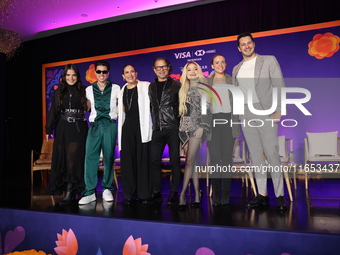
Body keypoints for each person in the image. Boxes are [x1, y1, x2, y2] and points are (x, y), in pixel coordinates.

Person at [232, 32, 287, 210]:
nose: (247, 46)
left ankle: (279, 195)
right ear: (239, 48)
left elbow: (279, 84)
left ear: (253, 44)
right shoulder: (236, 69)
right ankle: (262, 194)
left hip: (266, 111)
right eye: (243, 44)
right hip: (246, 113)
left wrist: (279, 109)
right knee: (256, 156)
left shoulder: (269, 60)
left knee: (271, 153)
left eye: (249, 43)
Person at [45, 64, 88, 206]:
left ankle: (72, 190)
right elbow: (53, 112)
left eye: (74, 75)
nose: (71, 78)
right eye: (68, 75)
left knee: (73, 159)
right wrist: (48, 129)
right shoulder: (59, 92)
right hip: (63, 127)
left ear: (77, 76)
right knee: (63, 159)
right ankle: (68, 190)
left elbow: (89, 109)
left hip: (78, 128)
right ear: (64, 77)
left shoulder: (84, 90)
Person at [78, 60, 120, 205]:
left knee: (108, 157)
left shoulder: (116, 88)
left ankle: (107, 188)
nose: (101, 74)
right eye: (99, 71)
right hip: (95, 125)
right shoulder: (88, 89)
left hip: (109, 124)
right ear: (94, 72)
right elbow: (87, 107)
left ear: (108, 72)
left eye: (104, 71)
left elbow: (122, 106)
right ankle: (90, 192)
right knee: (90, 157)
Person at [144, 57, 181, 205]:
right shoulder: (151, 87)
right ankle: (156, 192)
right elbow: (152, 107)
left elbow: (182, 107)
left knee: (175, 161)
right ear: (154, 70)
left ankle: (173, 193)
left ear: (168, 68)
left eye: (164, 66)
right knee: (153, 161)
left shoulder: (176, 85)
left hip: (172, 127)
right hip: (157, 129)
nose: (161, 69)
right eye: (158, 67)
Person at [178, 61, 212, 210]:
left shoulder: (205, 88)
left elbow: (207, 111)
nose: (192, 72)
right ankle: (198, 194)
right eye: (189, 70)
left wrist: (202, 127)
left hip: (197, 128)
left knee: (190, 161)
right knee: (193, 163)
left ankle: (182, 194)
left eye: (195, 69)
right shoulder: (183, 89)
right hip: (183, 129)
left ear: (199, 71)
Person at [207, 54, 240, 206]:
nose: (220, 64)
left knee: (227, 159)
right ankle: (215, 195)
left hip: (229, 120)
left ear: (226, 64)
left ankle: (225, 195)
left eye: (223, 61)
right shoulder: (206, 81)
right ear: (212, 65)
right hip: (212, 121)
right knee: (214, 159)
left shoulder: (233, 80)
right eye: (217, 62)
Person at [118, 64, 152, 205]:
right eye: (127, 72)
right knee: (128, 160)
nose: (130, 74)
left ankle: (143, 194)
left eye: (132, 71)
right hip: (128, 126)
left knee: (143, 160)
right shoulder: (122, 90)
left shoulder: (146, 86)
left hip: (142, 125)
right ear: (123, 76)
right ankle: (128, 194)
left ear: (136, 73)